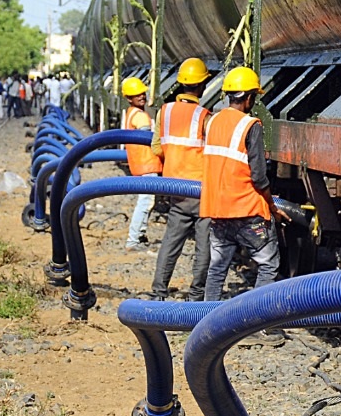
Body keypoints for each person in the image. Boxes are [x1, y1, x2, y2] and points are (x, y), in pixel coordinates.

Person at [202, 66, 291, 302]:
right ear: (250, 97)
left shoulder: (212, 121)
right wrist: (272, 206)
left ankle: (206, 324)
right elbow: (259, 177)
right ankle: (258, 321)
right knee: (269, 264)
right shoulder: (251, 125)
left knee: (218, 267)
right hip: (246, 210)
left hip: (218, 210)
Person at [146, 58, 215, 300]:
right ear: (202, 85)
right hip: (200, 190)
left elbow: (156, 148)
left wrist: (175, 159)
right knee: (204, 245)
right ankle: (196, 295)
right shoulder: (205, 116)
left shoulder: (164, 112)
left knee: (171, 243)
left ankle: (158, 292)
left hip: (176, 189)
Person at [120, 76, 163, 251]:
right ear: (129, 98)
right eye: (136, 94)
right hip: (147, 164)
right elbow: (148, 137)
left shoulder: (130, 113)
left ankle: (140, 234)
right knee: (145, 202)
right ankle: (133, 240)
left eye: (142, 93)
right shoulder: (140, 116)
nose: (141, 96)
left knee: (147, 201)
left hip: (141, 164)